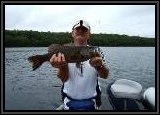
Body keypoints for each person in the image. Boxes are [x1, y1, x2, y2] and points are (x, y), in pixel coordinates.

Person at [49, 20, 109, 110]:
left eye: (84, 30)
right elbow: (63, 78)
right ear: (72, 33)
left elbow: (105, 76)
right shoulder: (64, 50)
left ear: (89, 34)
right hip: (69, 103)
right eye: (77, 29)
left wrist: (99, 66)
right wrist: (62, 66)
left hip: (93, 102)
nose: (80, 31)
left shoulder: (97, 51)